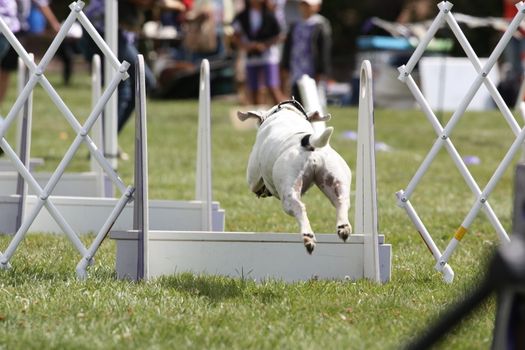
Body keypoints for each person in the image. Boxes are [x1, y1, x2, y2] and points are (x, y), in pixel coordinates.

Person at [80, 0, 158, 138]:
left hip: (117, 31)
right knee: (125, 84)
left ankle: (108, 141)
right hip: (102, 28)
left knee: (138, 83)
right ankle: (103, 143)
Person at [232, 0, 284, 105]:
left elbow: (279, 35)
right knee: (254, 89)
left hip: (268, 56)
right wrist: (246, 47)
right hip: (251, 57)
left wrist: (265, 45)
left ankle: (283, 112)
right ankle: (258, 116)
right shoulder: (242, 16)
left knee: (272, 86)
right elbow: (235, 36)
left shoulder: (270, 14)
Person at [280, 0, 331, 104]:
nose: (305, 8)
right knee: (296, 101)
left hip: (312, 72)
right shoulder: (294, 26)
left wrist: (321, 71)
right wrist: (285, 66)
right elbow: (288, 48)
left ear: (317, 7)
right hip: (296, 71)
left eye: (308, 5)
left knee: (313, 102)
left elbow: (324, 51)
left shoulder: (320, 25)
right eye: (303, 5)